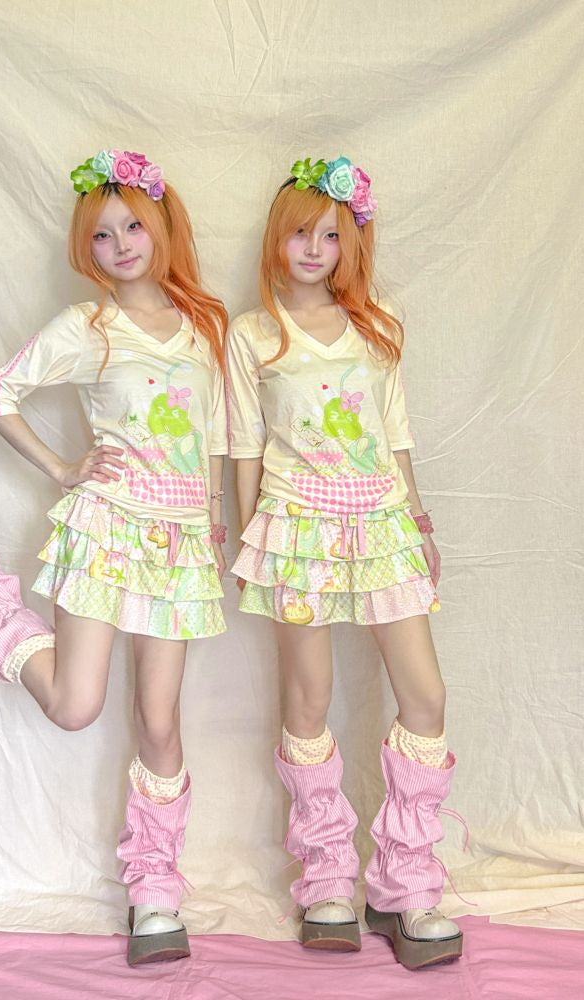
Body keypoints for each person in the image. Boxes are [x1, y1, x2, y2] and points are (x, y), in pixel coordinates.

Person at [0, 149, 228, 967]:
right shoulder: (88, 328)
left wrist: (212, 519)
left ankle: (155, 893)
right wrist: (65, 469)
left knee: (160, 721)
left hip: (178, 546)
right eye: (101, 235)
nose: (120, 245)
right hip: (107, 531)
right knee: (75, 705)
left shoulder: (203, 327)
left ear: (163, 226)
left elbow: (211, 434)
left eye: (132, 226)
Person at [226, 155, 463, 970]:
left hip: (382, 524)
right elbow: (243, 446)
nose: (313, 249)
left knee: (425, 696)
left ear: (350, 244)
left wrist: (418, 522)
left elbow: (396, 434)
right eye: (301, 233)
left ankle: (406, 884)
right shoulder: (253, 334)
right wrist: (248, 537)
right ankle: (326, 877)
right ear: (278, 237)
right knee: (309, 696)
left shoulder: (378, 324)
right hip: (296, 529)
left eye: (330, 236)